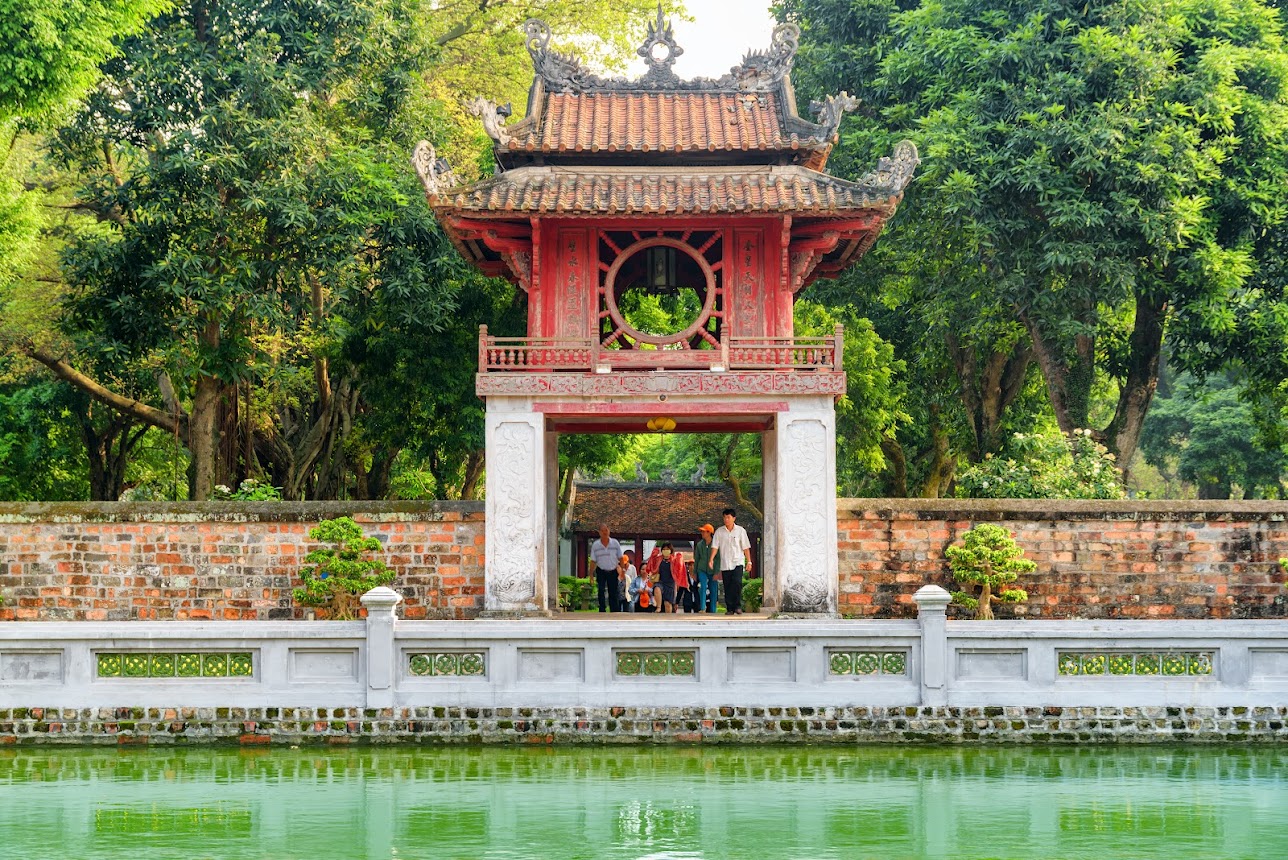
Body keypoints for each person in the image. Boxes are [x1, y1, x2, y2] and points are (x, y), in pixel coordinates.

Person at [711, 508, 752, 615]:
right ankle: (729, 608)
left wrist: (749, 561)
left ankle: (737, 606)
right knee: (727, 585)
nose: (726, 519)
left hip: (737, 561)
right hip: (725, 563)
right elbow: (715, 546)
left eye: (728, 517)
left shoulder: (740, 531)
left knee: (737, 583)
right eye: (724, 517)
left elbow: (746, 547)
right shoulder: (719, 532)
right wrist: (711, 559)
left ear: (734, 518)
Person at [590, 525, 622, 613]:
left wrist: (622, 570)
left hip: (613, 570)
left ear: (609, 531)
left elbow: (621, 557)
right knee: (601, 590)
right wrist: (591, 574)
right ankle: (602, 609)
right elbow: (593, 560)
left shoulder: (615, 543)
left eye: (606, 530)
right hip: (601, 570)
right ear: (599, 532)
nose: (605, 532)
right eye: (603, 530)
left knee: (613, 591)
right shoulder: (596, 545)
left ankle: (614, 610)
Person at [693, 523, 719, 613]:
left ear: (709, 533)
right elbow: (697, 559)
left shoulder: (715, 545)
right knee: (702, 586)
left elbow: (718, 559)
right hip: (702, 569)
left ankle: (713, 610)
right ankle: (703, 608)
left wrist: (717, 572)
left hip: (713, 570)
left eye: (704, 532)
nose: (702, 533)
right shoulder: (700, 545)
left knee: (713, 589)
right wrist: (695, 572)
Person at [652, 542, 680, 614]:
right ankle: (658, 607)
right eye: (664, 549)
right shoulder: (659, 559)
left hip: (670, 583)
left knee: (667, 604)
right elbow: (652, 564)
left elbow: (678, 573)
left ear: (671, 550)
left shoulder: (674, 560)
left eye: (667, 549)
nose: (665, 551)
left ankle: (668, 619)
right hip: (660, 581)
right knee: (657, 588)